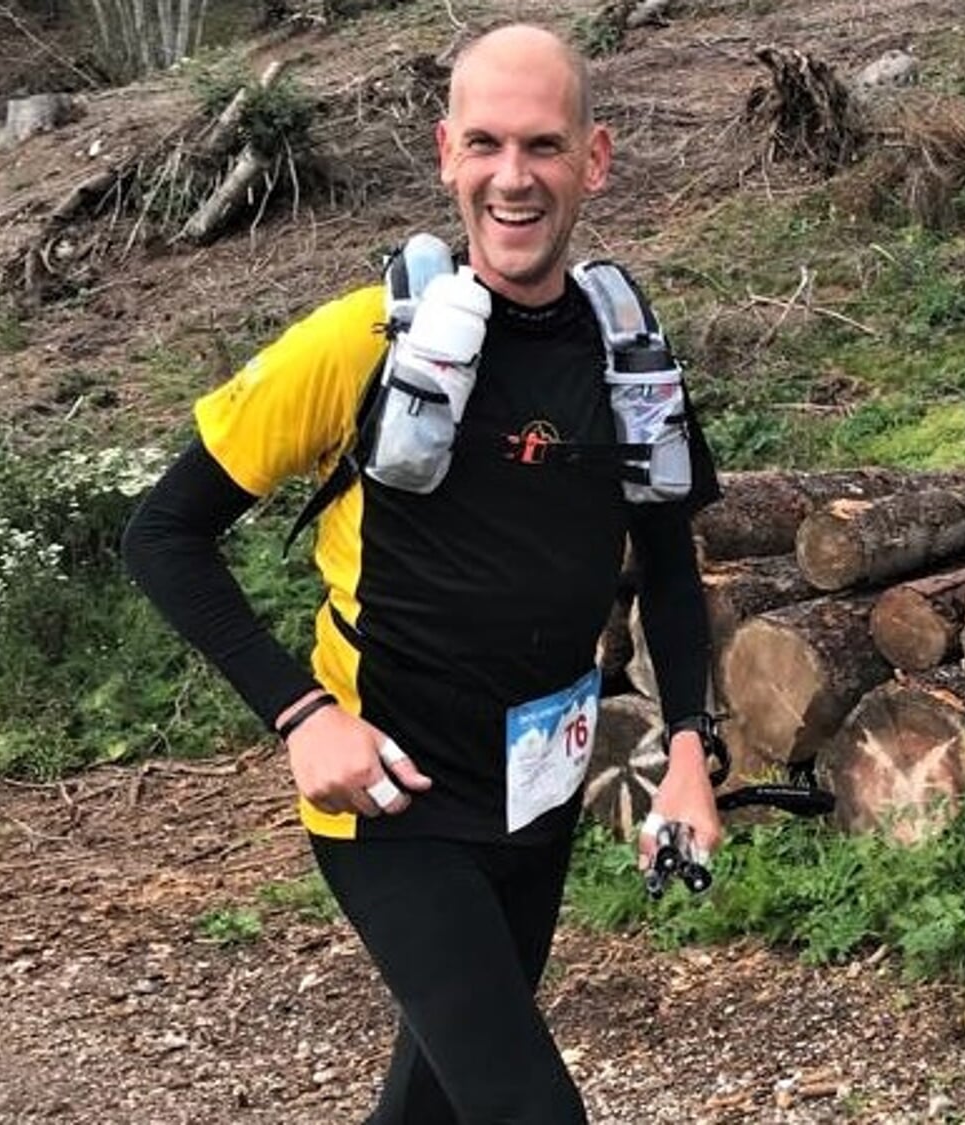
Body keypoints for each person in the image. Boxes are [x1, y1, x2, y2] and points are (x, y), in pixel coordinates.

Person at [123, 23, 724, 1122]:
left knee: (434, 1106)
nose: (512, 177)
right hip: (391, 801)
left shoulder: (627, 359)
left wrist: (689, 751)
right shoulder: (363, 341)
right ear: (446, 152)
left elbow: (671, 568)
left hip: (538, 791)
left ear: (593, 159)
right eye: (485, 143)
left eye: (543, 145)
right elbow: (162, 534)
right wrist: (303, 716)